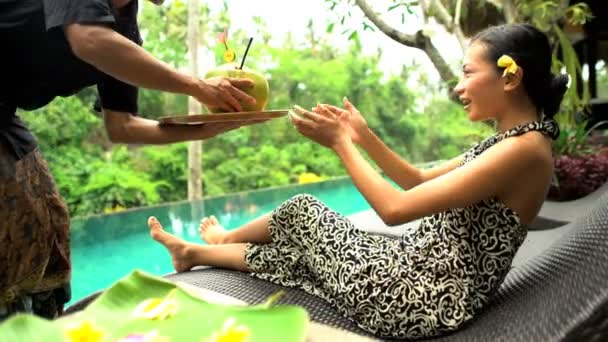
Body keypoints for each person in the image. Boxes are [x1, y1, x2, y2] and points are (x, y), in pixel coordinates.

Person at [146, 23, 569, 339]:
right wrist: (363, 134)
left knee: (302, 211)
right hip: (414, 275)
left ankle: (219, 243)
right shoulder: (512, 142)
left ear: (510, 78)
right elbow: (416, 179)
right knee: (301, 251)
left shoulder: (523, 151)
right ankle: (195, 252)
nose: (458, 86)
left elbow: (394, 209)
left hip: (421, 300)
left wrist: (341, 144)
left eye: (467, 73)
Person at [0, 0, 260, 321]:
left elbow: (122, 126)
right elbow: (88, 39)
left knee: (46, 225)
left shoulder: (124, 31)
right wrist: (198, 87)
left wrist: (208, 130)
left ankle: (31, 326)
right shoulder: (99, 33)